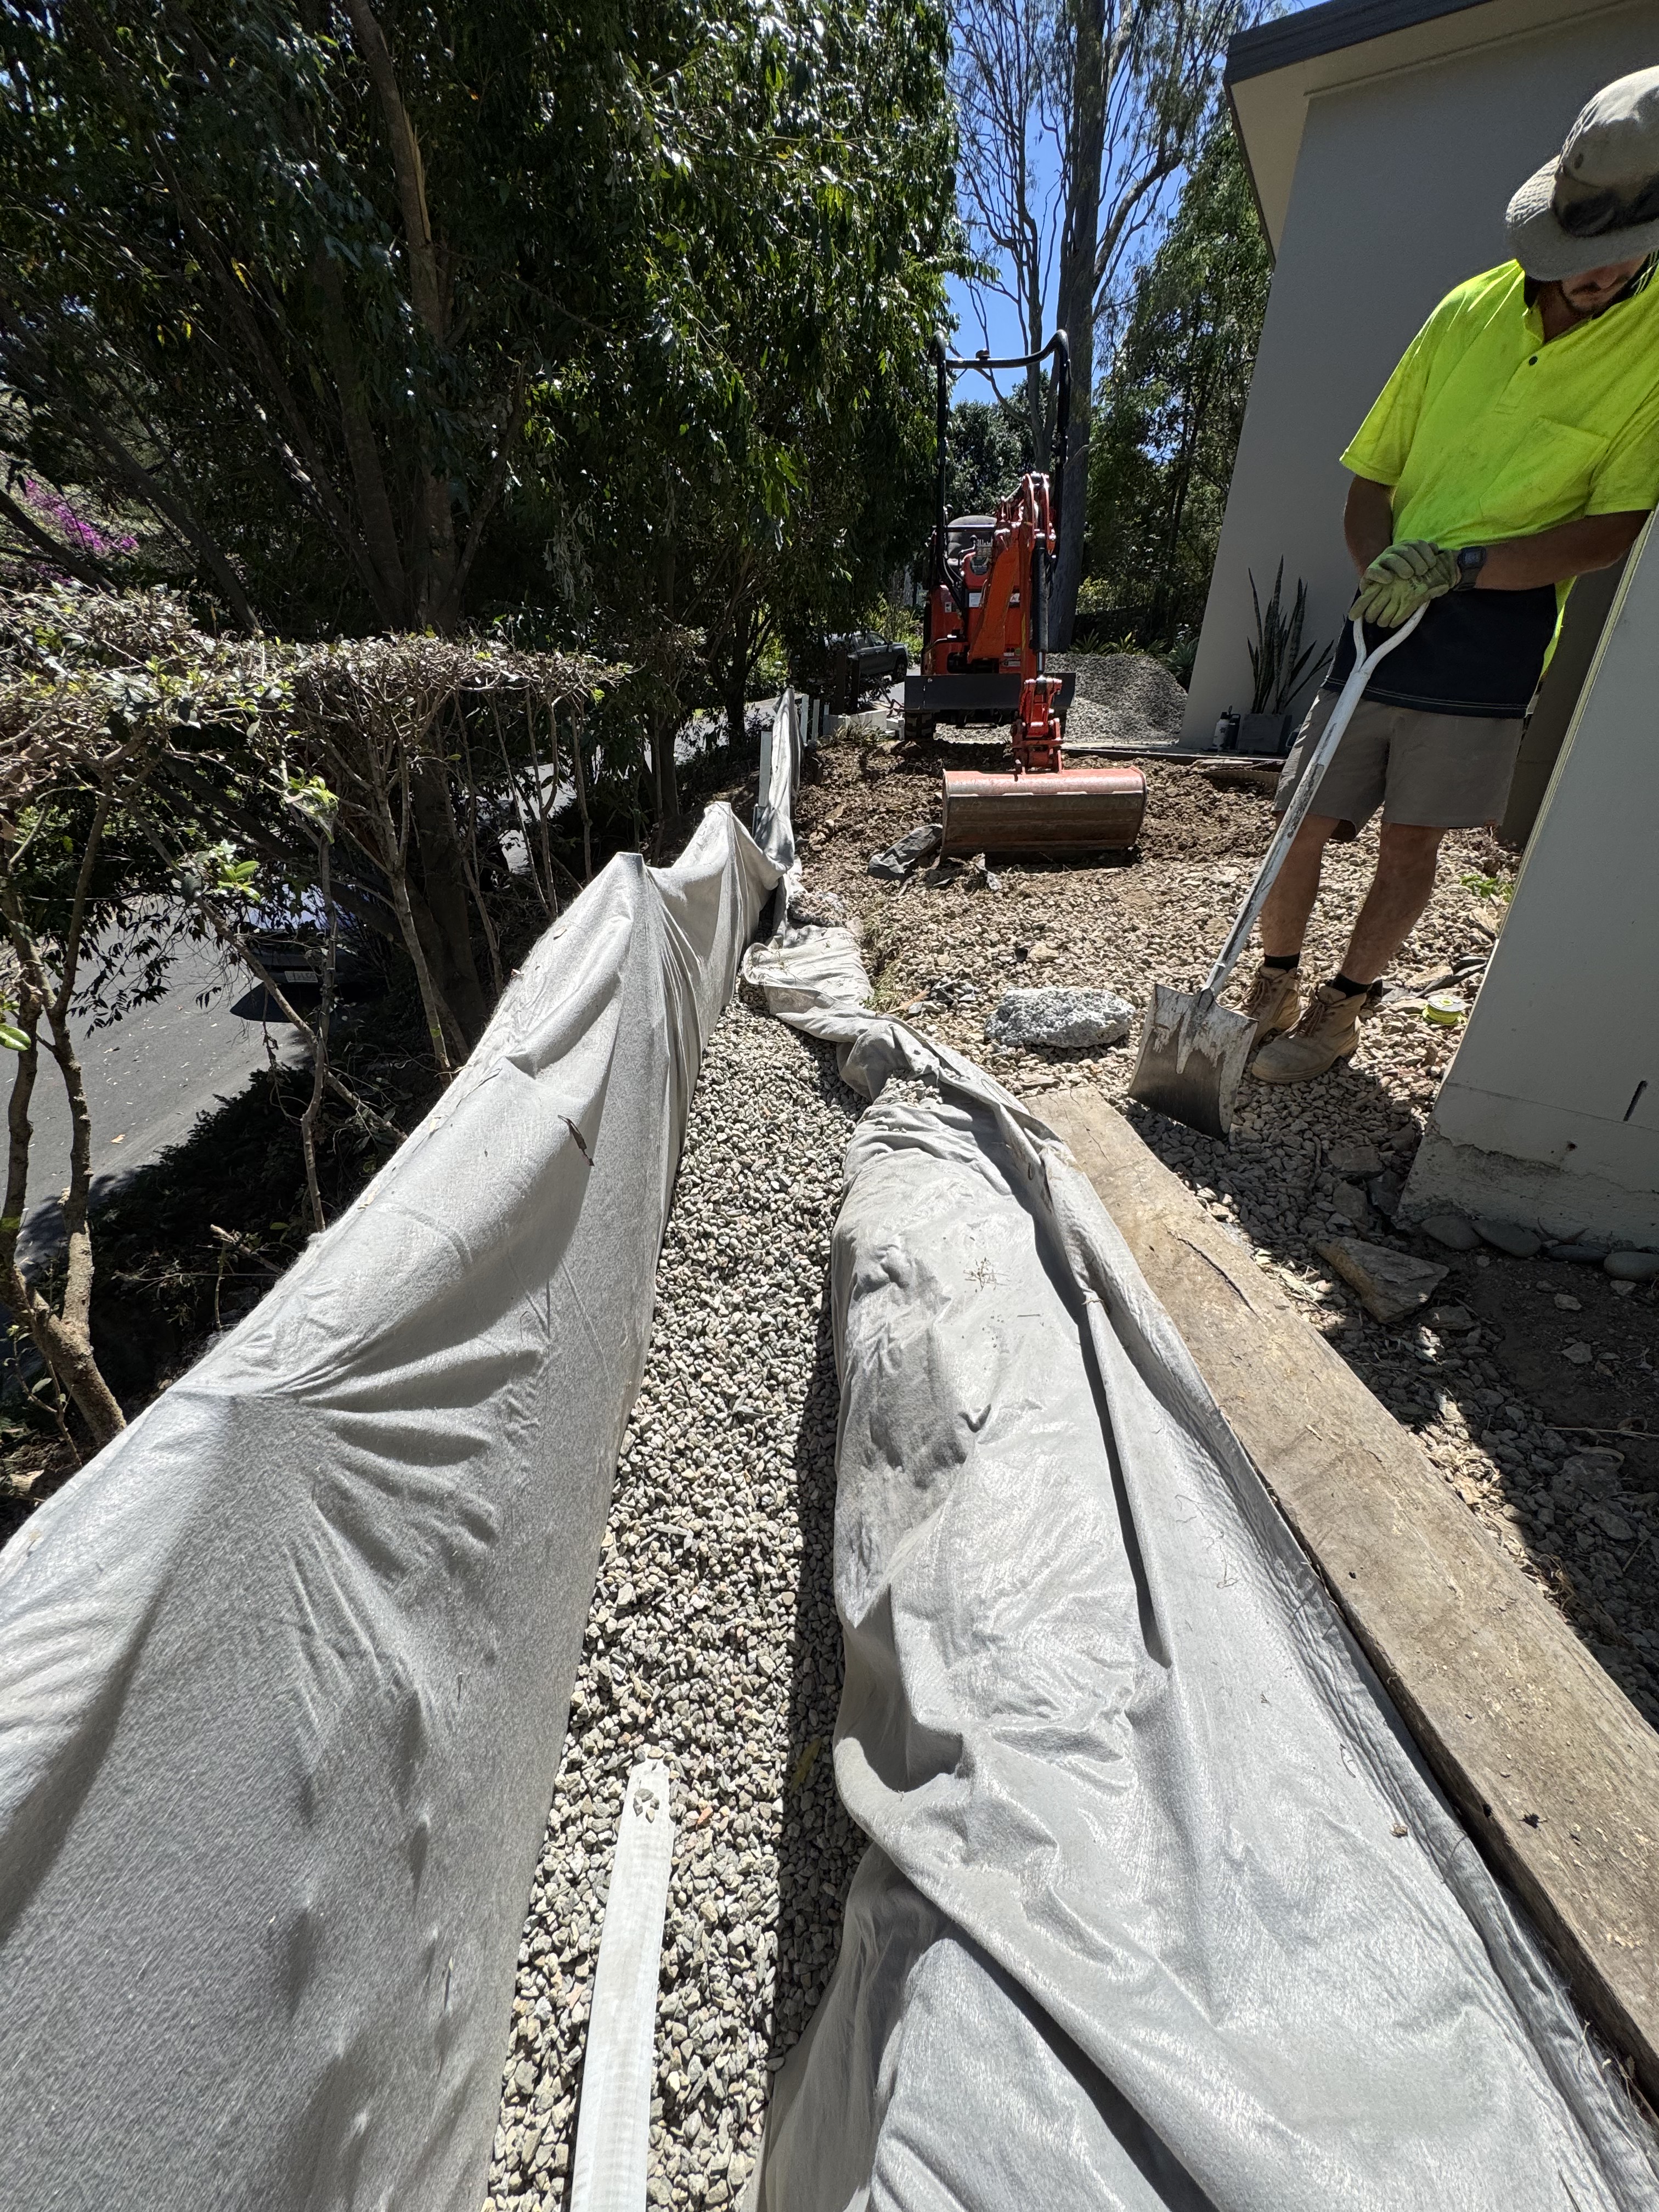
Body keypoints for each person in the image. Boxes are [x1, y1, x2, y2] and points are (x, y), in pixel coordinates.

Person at [1242, 65, 1659, 1087]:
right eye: (1577, 257)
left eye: (1614, 259)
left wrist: (1468, 567)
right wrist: (1380, 565)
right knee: (1303, 820)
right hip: (1383, 617)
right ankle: (1273, 980)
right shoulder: (1465, 313)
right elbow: (1369, 481)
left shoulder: (1654, 352)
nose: (1591, 278)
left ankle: (1341, 1013)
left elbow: (1609, 530)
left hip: (1495, 640)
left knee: (1410, 846)